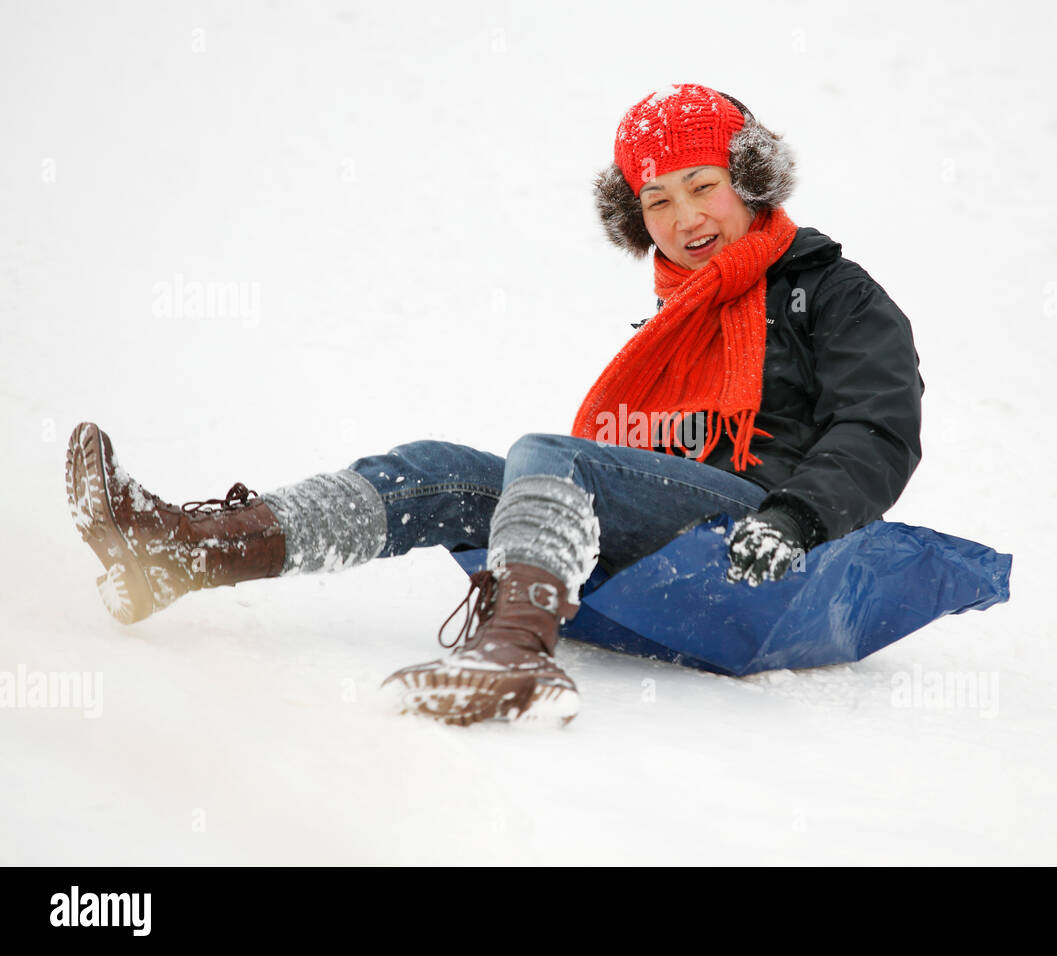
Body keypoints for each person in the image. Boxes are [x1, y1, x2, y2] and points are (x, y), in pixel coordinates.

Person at [65, 83, 924, 728]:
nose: (683, 217)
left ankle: (516, 654)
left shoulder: (832, 294)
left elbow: (877, 427)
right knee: (441, 469)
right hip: (668, 520)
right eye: (657, 199)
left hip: (758, 532)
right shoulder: (674, 316)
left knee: (555, 456)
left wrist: (797, 517)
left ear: (750, 180)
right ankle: (185, 553)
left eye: (702, 186)